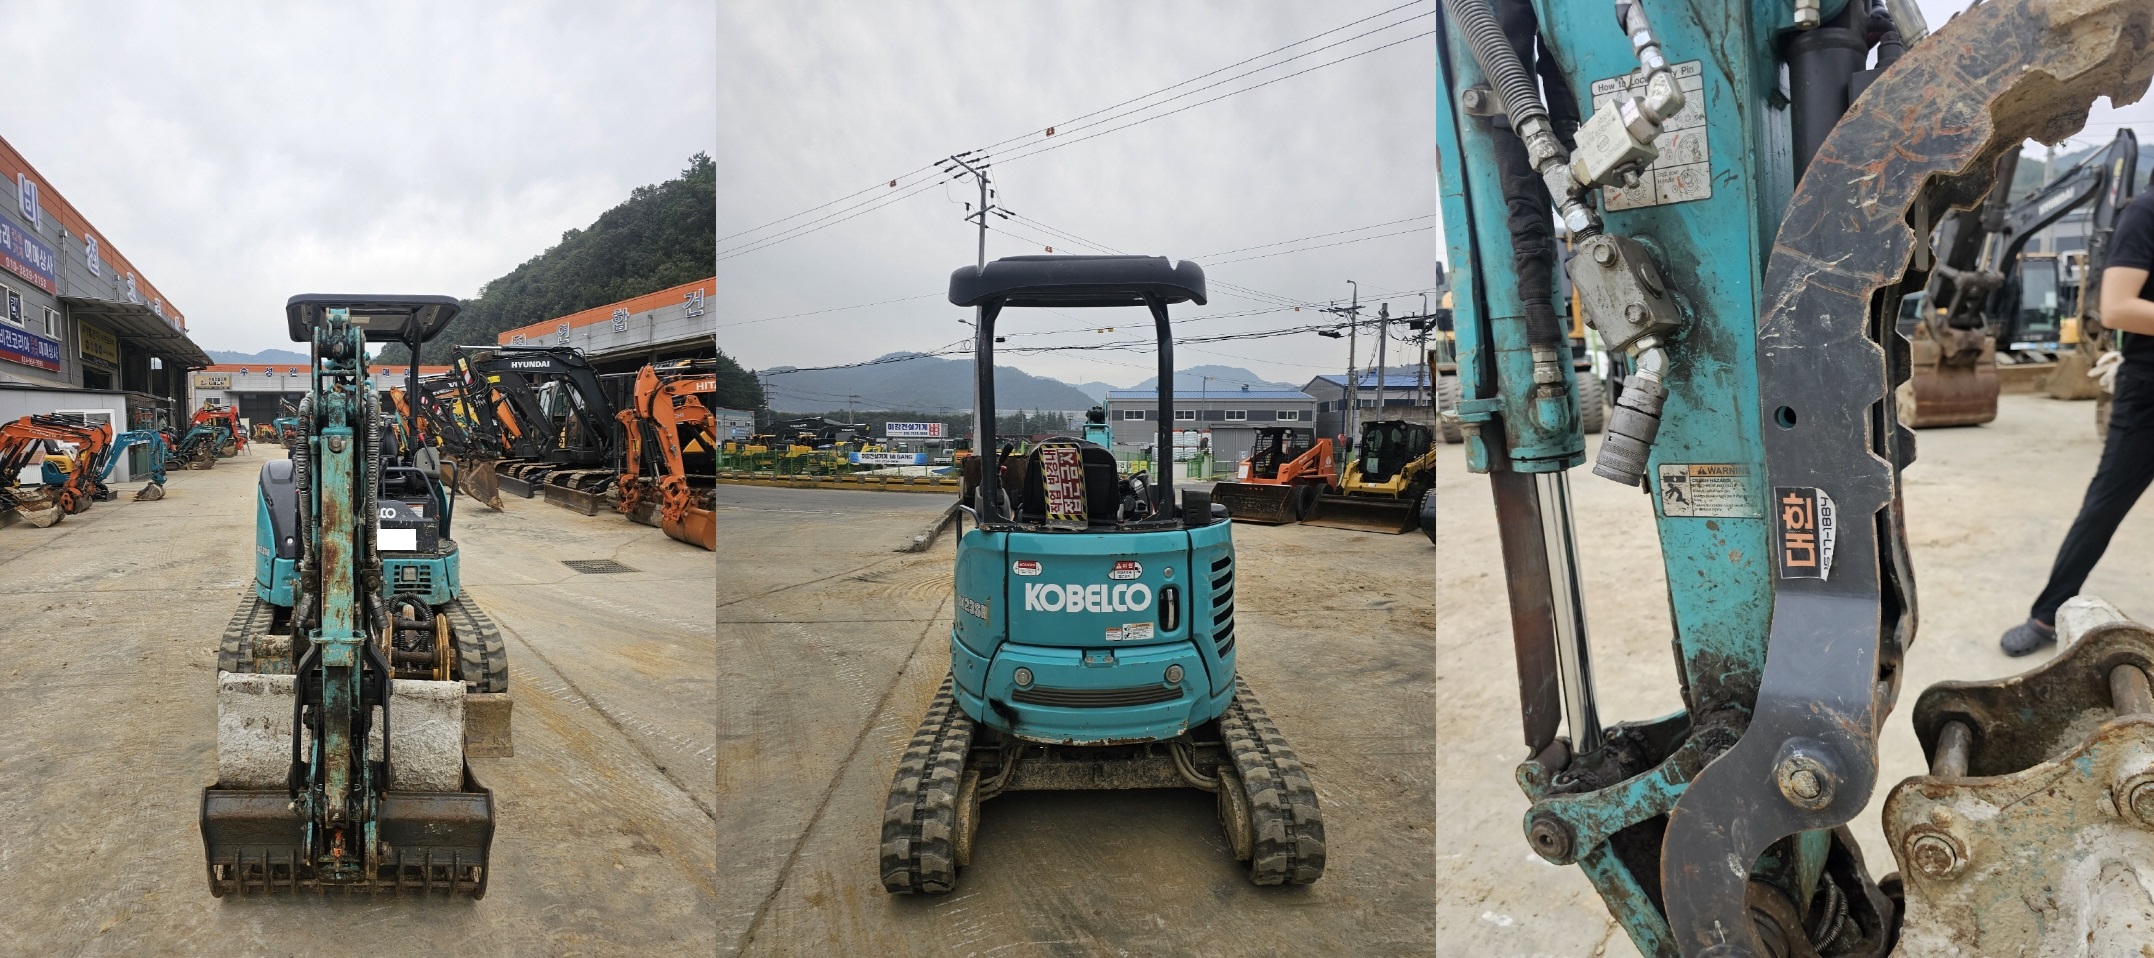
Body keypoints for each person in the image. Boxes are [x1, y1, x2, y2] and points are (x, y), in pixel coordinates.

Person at [2001, 187, 2154, 655]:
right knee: (2105, 504)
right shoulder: (2146, 213)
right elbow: (2117, 307)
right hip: (2149, 390)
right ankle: (2047, 615)